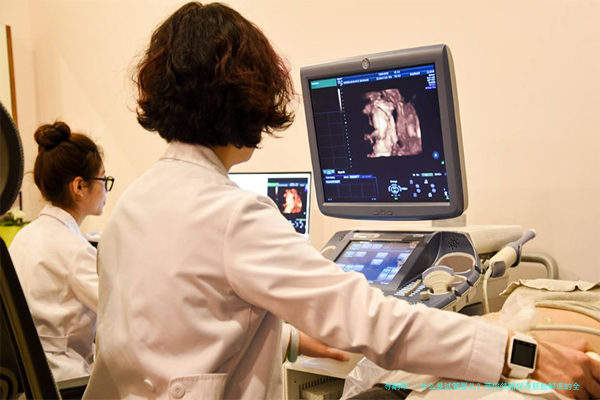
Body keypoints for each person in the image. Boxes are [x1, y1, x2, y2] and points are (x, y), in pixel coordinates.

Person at [82, 3, 600, 400]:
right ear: (247, 99)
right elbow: (372, 320)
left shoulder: (135, 202)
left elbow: (181, 334)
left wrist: (294, 340)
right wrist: (526, 355)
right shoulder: (229, 215)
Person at [9, 121, 114, 381]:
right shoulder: (74, 251)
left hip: (27, 377)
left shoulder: (23, 237)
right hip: (66, 379)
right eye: (103, 178)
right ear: (79, 186)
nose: (106, 187)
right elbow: (120, 310)